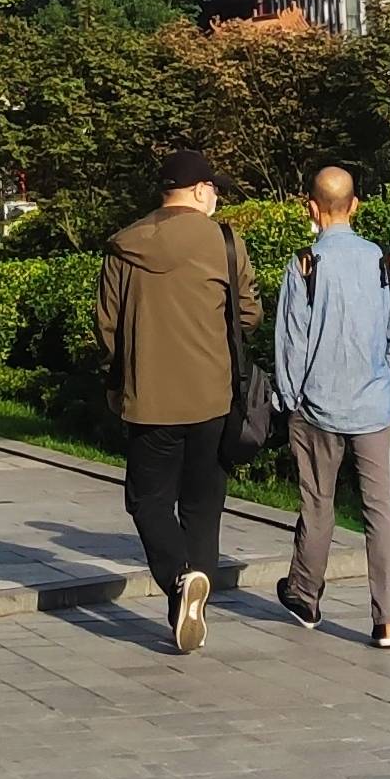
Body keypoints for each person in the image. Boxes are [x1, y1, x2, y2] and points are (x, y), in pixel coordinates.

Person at [95, 149, 258, 654]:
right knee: (203, 505)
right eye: (214, 189)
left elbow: (106, 328)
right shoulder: (225, 242)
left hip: (149, 398)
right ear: (201, 190)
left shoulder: (125, 246)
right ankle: (191, 595)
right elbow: (248, 316)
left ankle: (178, 582)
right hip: (213, 396)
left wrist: (123, 373)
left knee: (147, 501)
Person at [271, 166, 390, 650]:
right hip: (374, 405)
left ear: (311, 207)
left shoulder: (305, 264)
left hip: (317, 405)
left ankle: (306, 595)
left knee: (318, 503)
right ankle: (387, 620)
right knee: (381, 508)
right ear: (355, 205)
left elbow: (291, 342)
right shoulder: (384, 261)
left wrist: (288, 398)